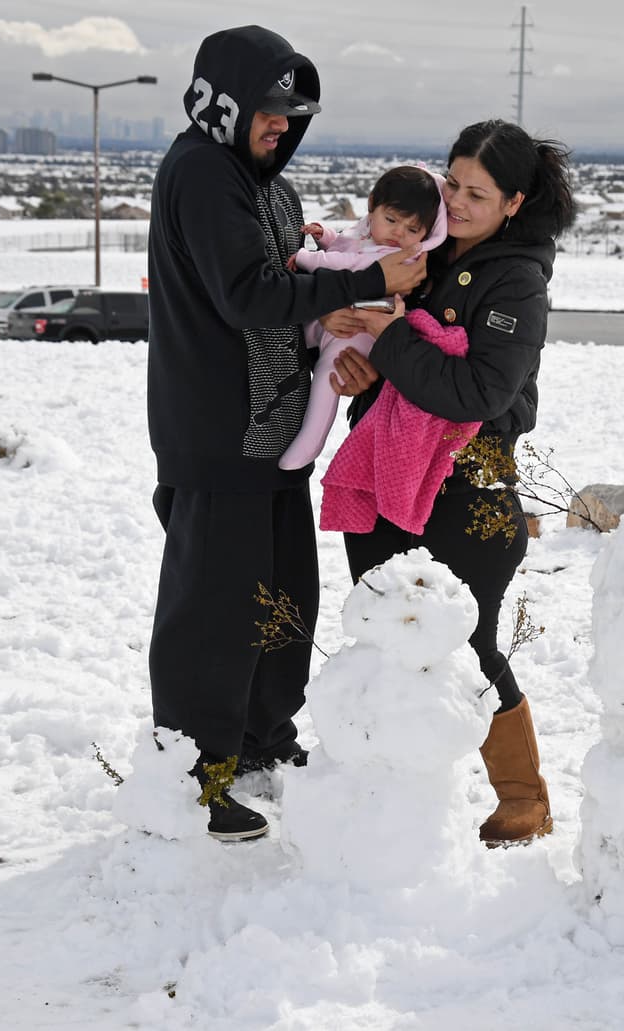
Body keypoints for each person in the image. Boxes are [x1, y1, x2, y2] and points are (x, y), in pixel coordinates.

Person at [145, 24, 427, 842]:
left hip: (273, 429)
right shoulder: (203, 173)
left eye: (293, 114)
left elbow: (286, 291)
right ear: (225, 104)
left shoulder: (267, 186)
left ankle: (265, 741)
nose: (282, 125)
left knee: (281, 598)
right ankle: (200, 775)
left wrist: (334, 318)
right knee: (214, 612)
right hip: (215, 430)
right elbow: (243, 293)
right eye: (270, 111)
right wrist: (373, 278)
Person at [323, 118, 576, 847]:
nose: (457, 202)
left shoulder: (516, 281)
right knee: (383, 642)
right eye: (453, 183)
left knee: (469, 649)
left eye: (478, 193)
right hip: (388, 483)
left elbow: (475, 394)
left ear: (515, 203)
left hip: (469, 497)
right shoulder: (422, 251)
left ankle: (522, 799)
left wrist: (391, 338)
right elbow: (400, 374)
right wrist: (363, 369)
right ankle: (389, 802)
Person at [279, 166, 447, 469]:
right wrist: (327, 236)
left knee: (327, 382)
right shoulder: (370, 234)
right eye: (392, 220)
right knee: (286, 345)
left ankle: (308, 445)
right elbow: (349, 242)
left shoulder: (402, 257)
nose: (399, 234)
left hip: (359, 332)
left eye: (412, 230)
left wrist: (308, 257)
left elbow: (351, 263)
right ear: (372, 207)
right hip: (338, 321)